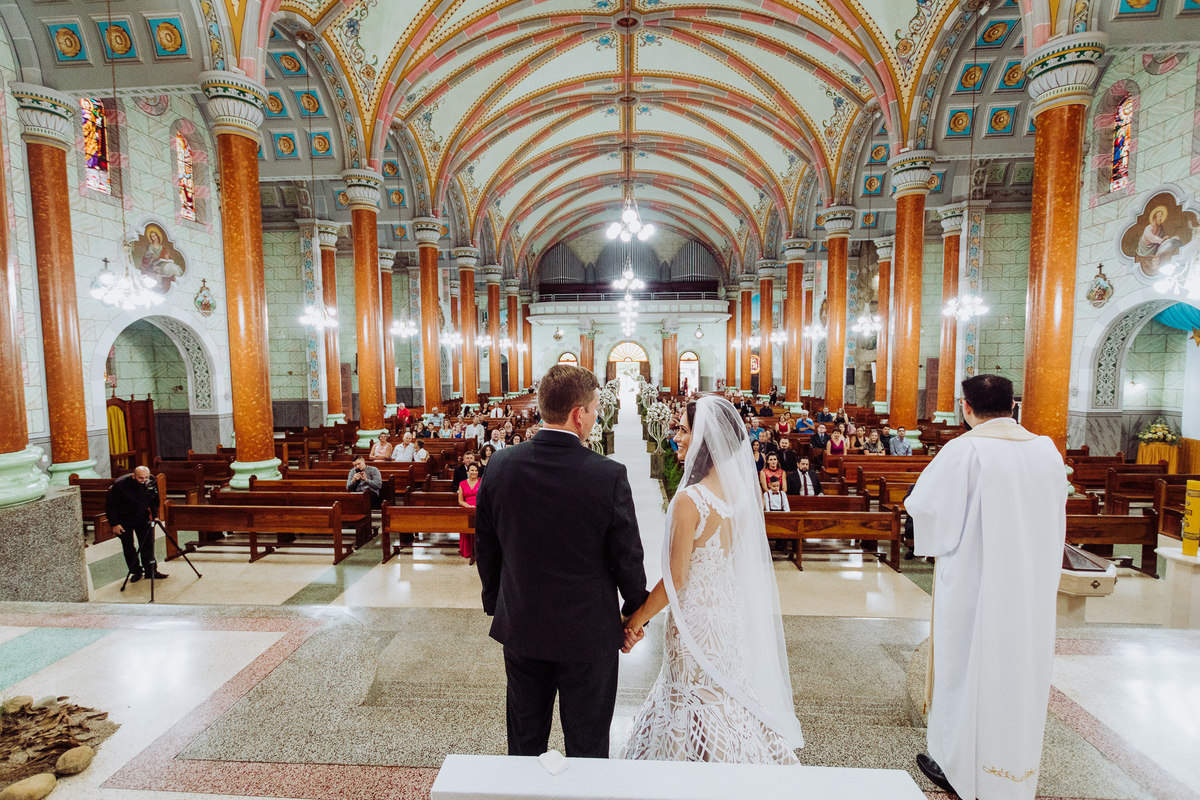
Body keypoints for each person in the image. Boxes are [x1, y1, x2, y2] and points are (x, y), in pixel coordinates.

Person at [906, 375, 1067, 800]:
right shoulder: (1046, 450)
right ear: (1013, 405)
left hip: (976, 586)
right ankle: (1011, 773)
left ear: (966, 407)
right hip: (1029, 587)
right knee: (1017, 673)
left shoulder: (966, 449)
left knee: (965, 670)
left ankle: (957, 765)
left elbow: (926, 510)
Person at [476, 364, 648, 758]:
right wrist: (635, 613)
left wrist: (497, 603)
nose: (596, 417)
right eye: (594, 410)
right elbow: (627, 556)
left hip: (521, 623)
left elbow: (486, 544)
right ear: (577, 414)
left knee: (524, 739)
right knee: (587, 746)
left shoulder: (501, 465)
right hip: (588, 633)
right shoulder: (606, 475)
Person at [621, 396, 803, 762]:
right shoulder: (740, 496)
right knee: (723, 695)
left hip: (695, 621)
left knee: (689, 696)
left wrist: (636, 620)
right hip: (726, 613)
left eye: (684, 430)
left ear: (704, 438)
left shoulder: (692, 500)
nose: (677, 437)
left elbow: (677, 577)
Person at [105, 466, 168, 582]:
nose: (144, 480)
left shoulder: (151, 480)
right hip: (123, 519)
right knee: (128, 546)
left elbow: (155, 499)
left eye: (146, 477)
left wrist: (155, 516)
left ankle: (151, 571)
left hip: (142, 516)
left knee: (148, 543)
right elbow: (110, 506)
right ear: (134, 476)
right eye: (141, 478)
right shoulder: (120, 485)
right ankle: (136, 571)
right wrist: (115, 524)